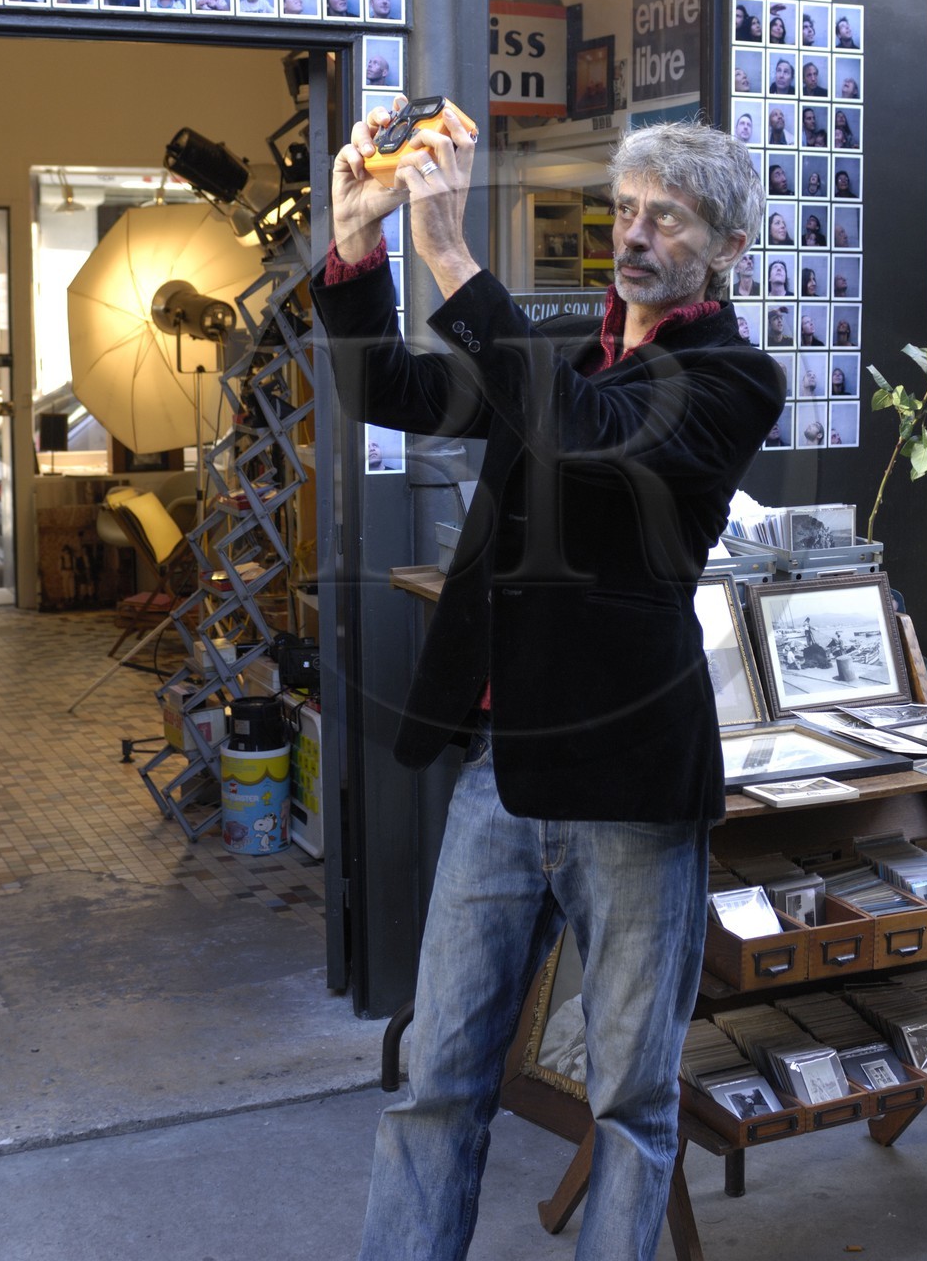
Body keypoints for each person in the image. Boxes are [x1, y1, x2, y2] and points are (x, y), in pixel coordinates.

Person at [310, 110, 784, 1261]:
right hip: (501, 769)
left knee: (628, 1097)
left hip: (627, 787)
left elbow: (584, 435)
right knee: (436, 1077)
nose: (633, 235)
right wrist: (358, 251)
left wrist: (452, 254)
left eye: (665, 217)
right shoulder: (572, 347)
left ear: (725, 247)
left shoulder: (733, 377)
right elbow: (398, 396)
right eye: (623, 210)